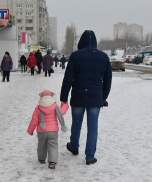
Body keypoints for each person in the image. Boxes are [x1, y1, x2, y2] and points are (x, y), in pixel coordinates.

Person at [60, 30, 112, 165]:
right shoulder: (103, 57)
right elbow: (108, 81)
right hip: (95, 98)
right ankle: (89, 157)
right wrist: (103, 97)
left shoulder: (76, 56)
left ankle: (74, 146)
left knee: (76, 123)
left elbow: (68, 79)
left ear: (81, 41)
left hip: (78, 96)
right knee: (92, 127)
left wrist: (64, 97)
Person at [27, 90, 69, 169]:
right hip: (53, 131)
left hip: (41, 131)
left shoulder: (38, 108)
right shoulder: (55, 106)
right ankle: (52, 162)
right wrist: (65, 105)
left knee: (41, 145)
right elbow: (62, 112)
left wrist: (30, 130)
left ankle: (42, 159)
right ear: (51, 96)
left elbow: (34, 120)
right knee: (53, 145)